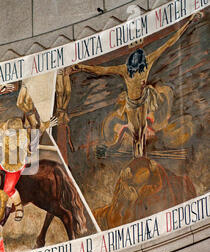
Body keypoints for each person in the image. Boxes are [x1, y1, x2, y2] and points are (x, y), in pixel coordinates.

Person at [74, 13, 201, 158]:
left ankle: (141, 154)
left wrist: (188, 22)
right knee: (136, 130)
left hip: (143, 101)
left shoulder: (147, 62)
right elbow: (102, 70)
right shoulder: (124, 69)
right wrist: (82, 67)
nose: (134, 72)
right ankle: (137, 154)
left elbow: (169, 43)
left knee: (142, 127)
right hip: (132, 104)